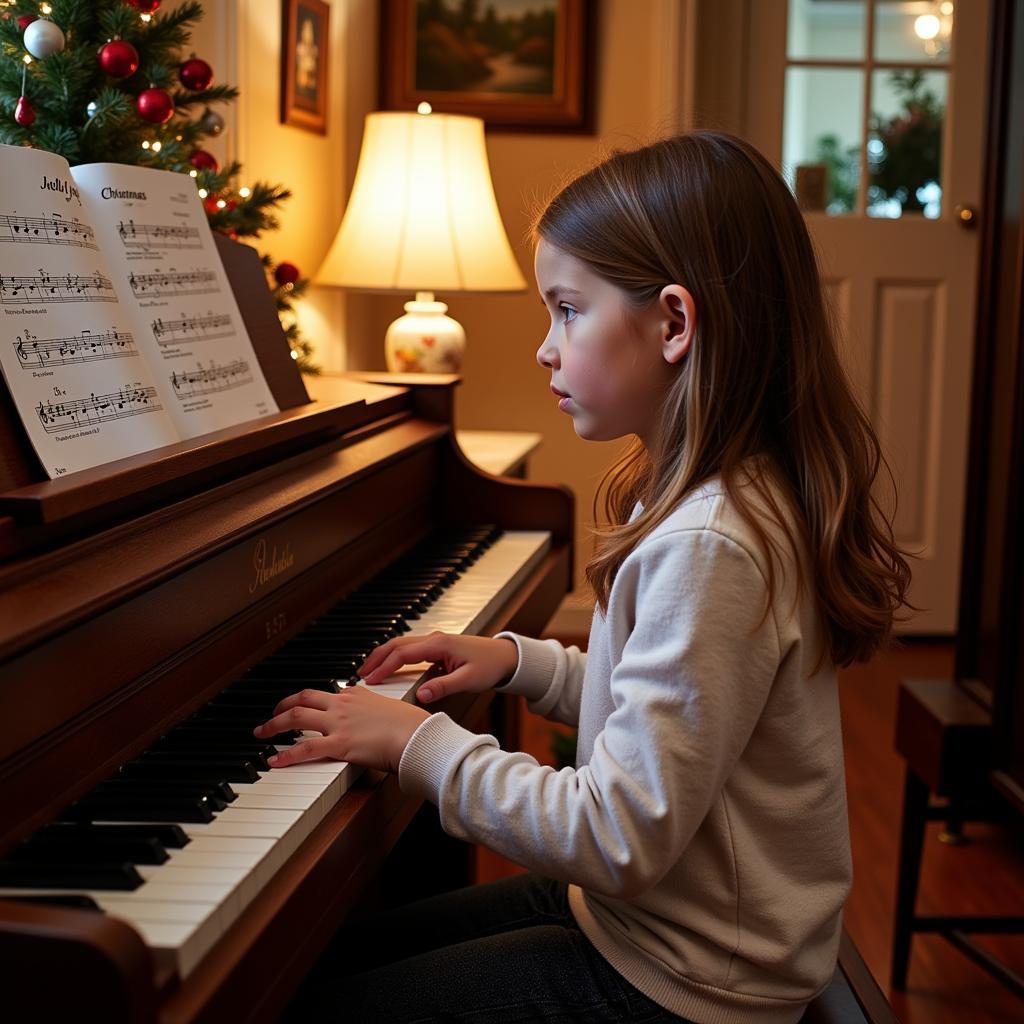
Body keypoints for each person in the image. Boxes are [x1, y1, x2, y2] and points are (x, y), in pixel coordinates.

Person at [261, 130, 911, 1023]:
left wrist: (415, 746)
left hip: (687, 981)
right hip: (648, 925)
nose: (544, 347)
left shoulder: (712, 544)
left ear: (675, 324)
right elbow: (667, 705)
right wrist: (520, 663)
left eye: (568, 310)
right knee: (328, 967)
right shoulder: (718, 496)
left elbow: (616, 832)